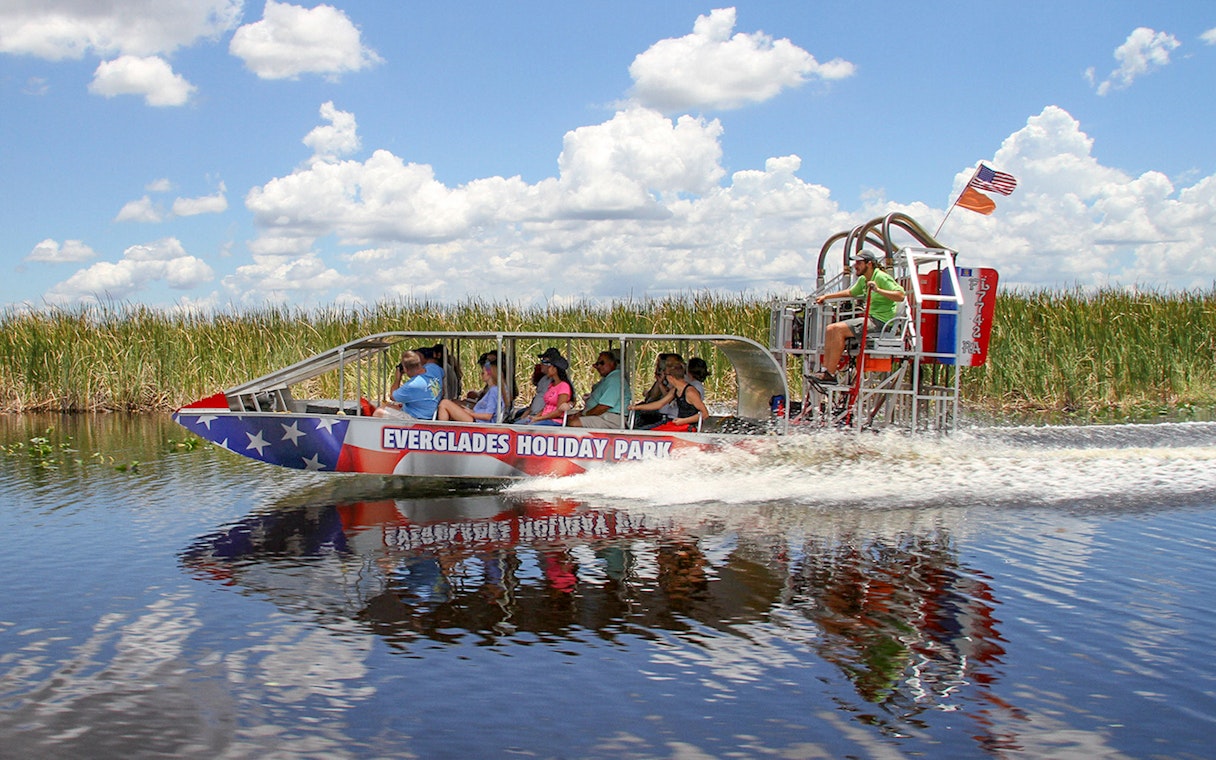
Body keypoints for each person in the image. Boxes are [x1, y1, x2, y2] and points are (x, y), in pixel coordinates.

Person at [811, 250, 905, 383]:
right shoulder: (863, 279)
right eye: (855, 262)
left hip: (880, 322)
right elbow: (850, 292)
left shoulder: (881, 277)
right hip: (870, 319)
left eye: (859, 263)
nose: (855, 266)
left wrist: (878, 290)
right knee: (830, 328)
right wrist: (827, 297)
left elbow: (900, 295)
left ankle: (830, 374)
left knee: (838, 329)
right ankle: (825, 370)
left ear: (869, 264)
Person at [627, 361, 707, 432]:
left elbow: (704, 413)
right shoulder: (676, 390)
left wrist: (683, 421)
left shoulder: (690, 392)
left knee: (651, 433)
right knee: (646, 431)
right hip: (677, 424)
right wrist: (637, 407)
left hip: (687, 427)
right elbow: (660, 404)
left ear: (670, 377)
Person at [567, 349, 629, 428]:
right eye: (597, 364)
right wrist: (580, 413)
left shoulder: (615, 380)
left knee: (573, 423)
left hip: (610, 418)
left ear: (612, 364)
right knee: (566, 417)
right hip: (601, 416)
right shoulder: (607, 379)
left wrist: (584, 414)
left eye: (602, 363)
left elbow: (604, 406)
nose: (598, 366)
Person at [371, 350, 440, 419]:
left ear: (405, 369)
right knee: (378, 403)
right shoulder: (434, 368)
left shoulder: (412, 385)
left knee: (379, 412)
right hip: (427, 410)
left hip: (419, 418)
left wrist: (398, 379)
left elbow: (392, 397)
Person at [516, 353, 574, 426]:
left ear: (555, 369)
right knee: (518, 424)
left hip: (554, 421)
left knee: (529, 428)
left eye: (549, 367)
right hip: (544, 418)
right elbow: (546, 407)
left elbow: (558, 412)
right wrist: (535, 417)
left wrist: (538, 419)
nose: (548, 369)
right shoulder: (551, 385)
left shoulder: (564, 386)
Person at [437, 360, 503, 423]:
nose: (481, 375)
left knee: (444, 403)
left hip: (479, 421)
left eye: (483, 373)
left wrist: (471, 414)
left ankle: (443, 429)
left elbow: (488, 416)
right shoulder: (494, 389)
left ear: (489, 374)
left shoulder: (494, 391)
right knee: (453, 404)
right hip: (476, 417)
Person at [634, 352, 680, 427]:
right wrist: (659, 381)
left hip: (667, 417)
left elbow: (667, 400)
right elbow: (652, 396)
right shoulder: (666, 380)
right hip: (660, 412)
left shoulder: (679, 385)